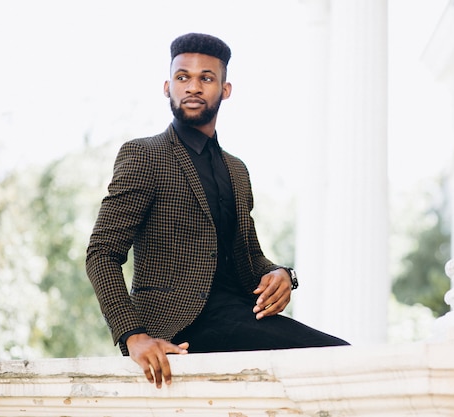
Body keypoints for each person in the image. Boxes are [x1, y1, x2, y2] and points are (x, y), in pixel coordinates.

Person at [86, 32, 349, 389]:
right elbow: (101, 253)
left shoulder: (237, 170)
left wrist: (283, 275)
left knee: (343, 358)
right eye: (183, 77)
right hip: (179, 325)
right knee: (336, 360)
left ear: (225, 89)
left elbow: (249, 258)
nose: (193, 87)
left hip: (238, 315)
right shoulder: (145, 155)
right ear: (167, 86)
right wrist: (133, 335)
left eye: (206, 78)